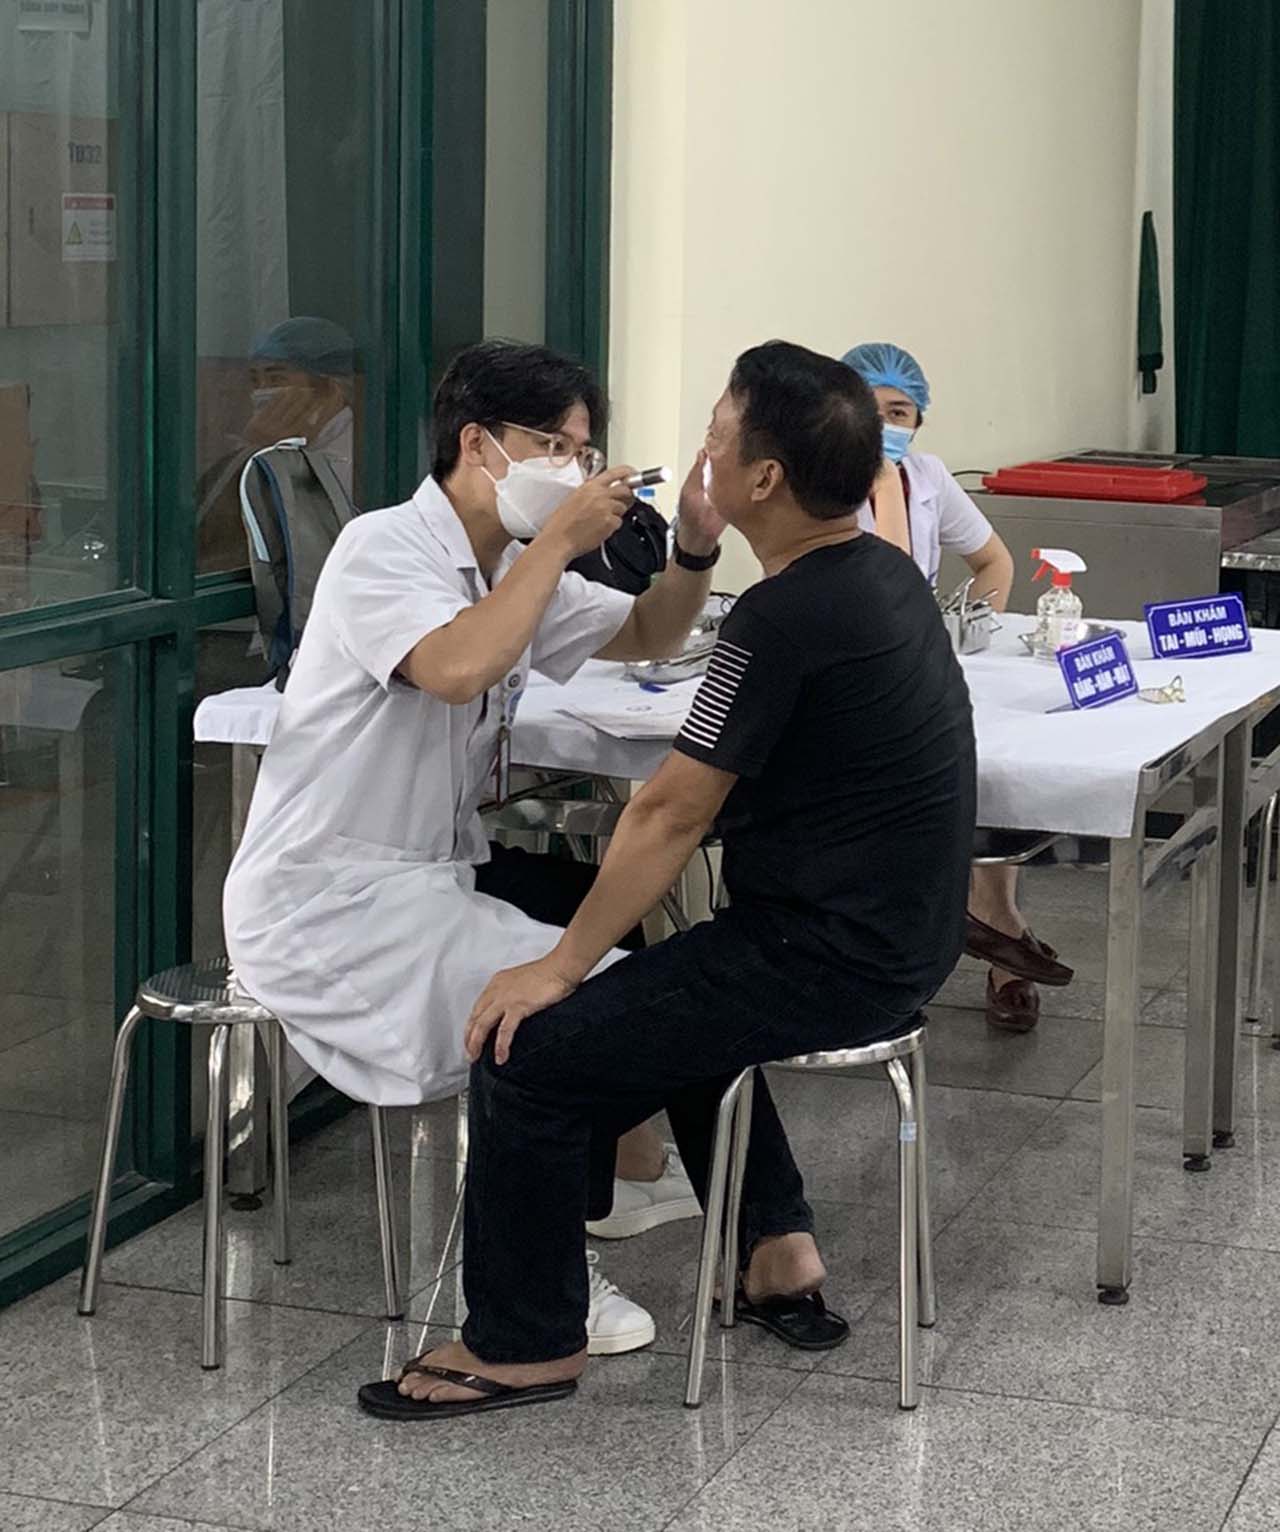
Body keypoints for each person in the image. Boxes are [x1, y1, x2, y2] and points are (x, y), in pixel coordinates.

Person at [355, 339, 976, 1423]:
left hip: (824, 956)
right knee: (667, 981)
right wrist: (689, 544)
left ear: (764, 478)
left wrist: (556, 968)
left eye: (717, 435)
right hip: (901, 941)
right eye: (556, 445)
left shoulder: (780, 616)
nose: (700, 451)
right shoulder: (883, 577)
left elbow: (667, 812)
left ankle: (524, 1342)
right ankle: (775, 1248)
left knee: (527, 1052)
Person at [223, 338, 728, 1352]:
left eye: (584, 453)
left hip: (426, 882)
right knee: (555, 1011)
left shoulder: (508, 565)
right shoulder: (382, 549)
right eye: (554, 446)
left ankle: (609, 1183)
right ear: (476, 444)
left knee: (616, 969)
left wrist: (694, 548)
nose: (573, 472)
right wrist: (556, 545)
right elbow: (456, 665)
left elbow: (650, 634)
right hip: (324, 899)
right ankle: (540, 1277)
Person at [841, 341, 1073, 1034]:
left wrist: (974, 628)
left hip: (916, 665)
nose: (884, 424)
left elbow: (993, 561)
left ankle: (996, 917)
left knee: (985, 750)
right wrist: (880, 483)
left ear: (919, 420)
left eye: (899, 412)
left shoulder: (929, 475)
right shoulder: (818, 479)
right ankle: (961, 938)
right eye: (868, 409)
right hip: (845, 672)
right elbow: (886, 574)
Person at [197, 315, 358, 574]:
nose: (262, 392)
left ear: (328, 389)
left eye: (277, 380)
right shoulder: (265, 442)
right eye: (255, 381)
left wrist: (265, 450)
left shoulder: (355, 453)